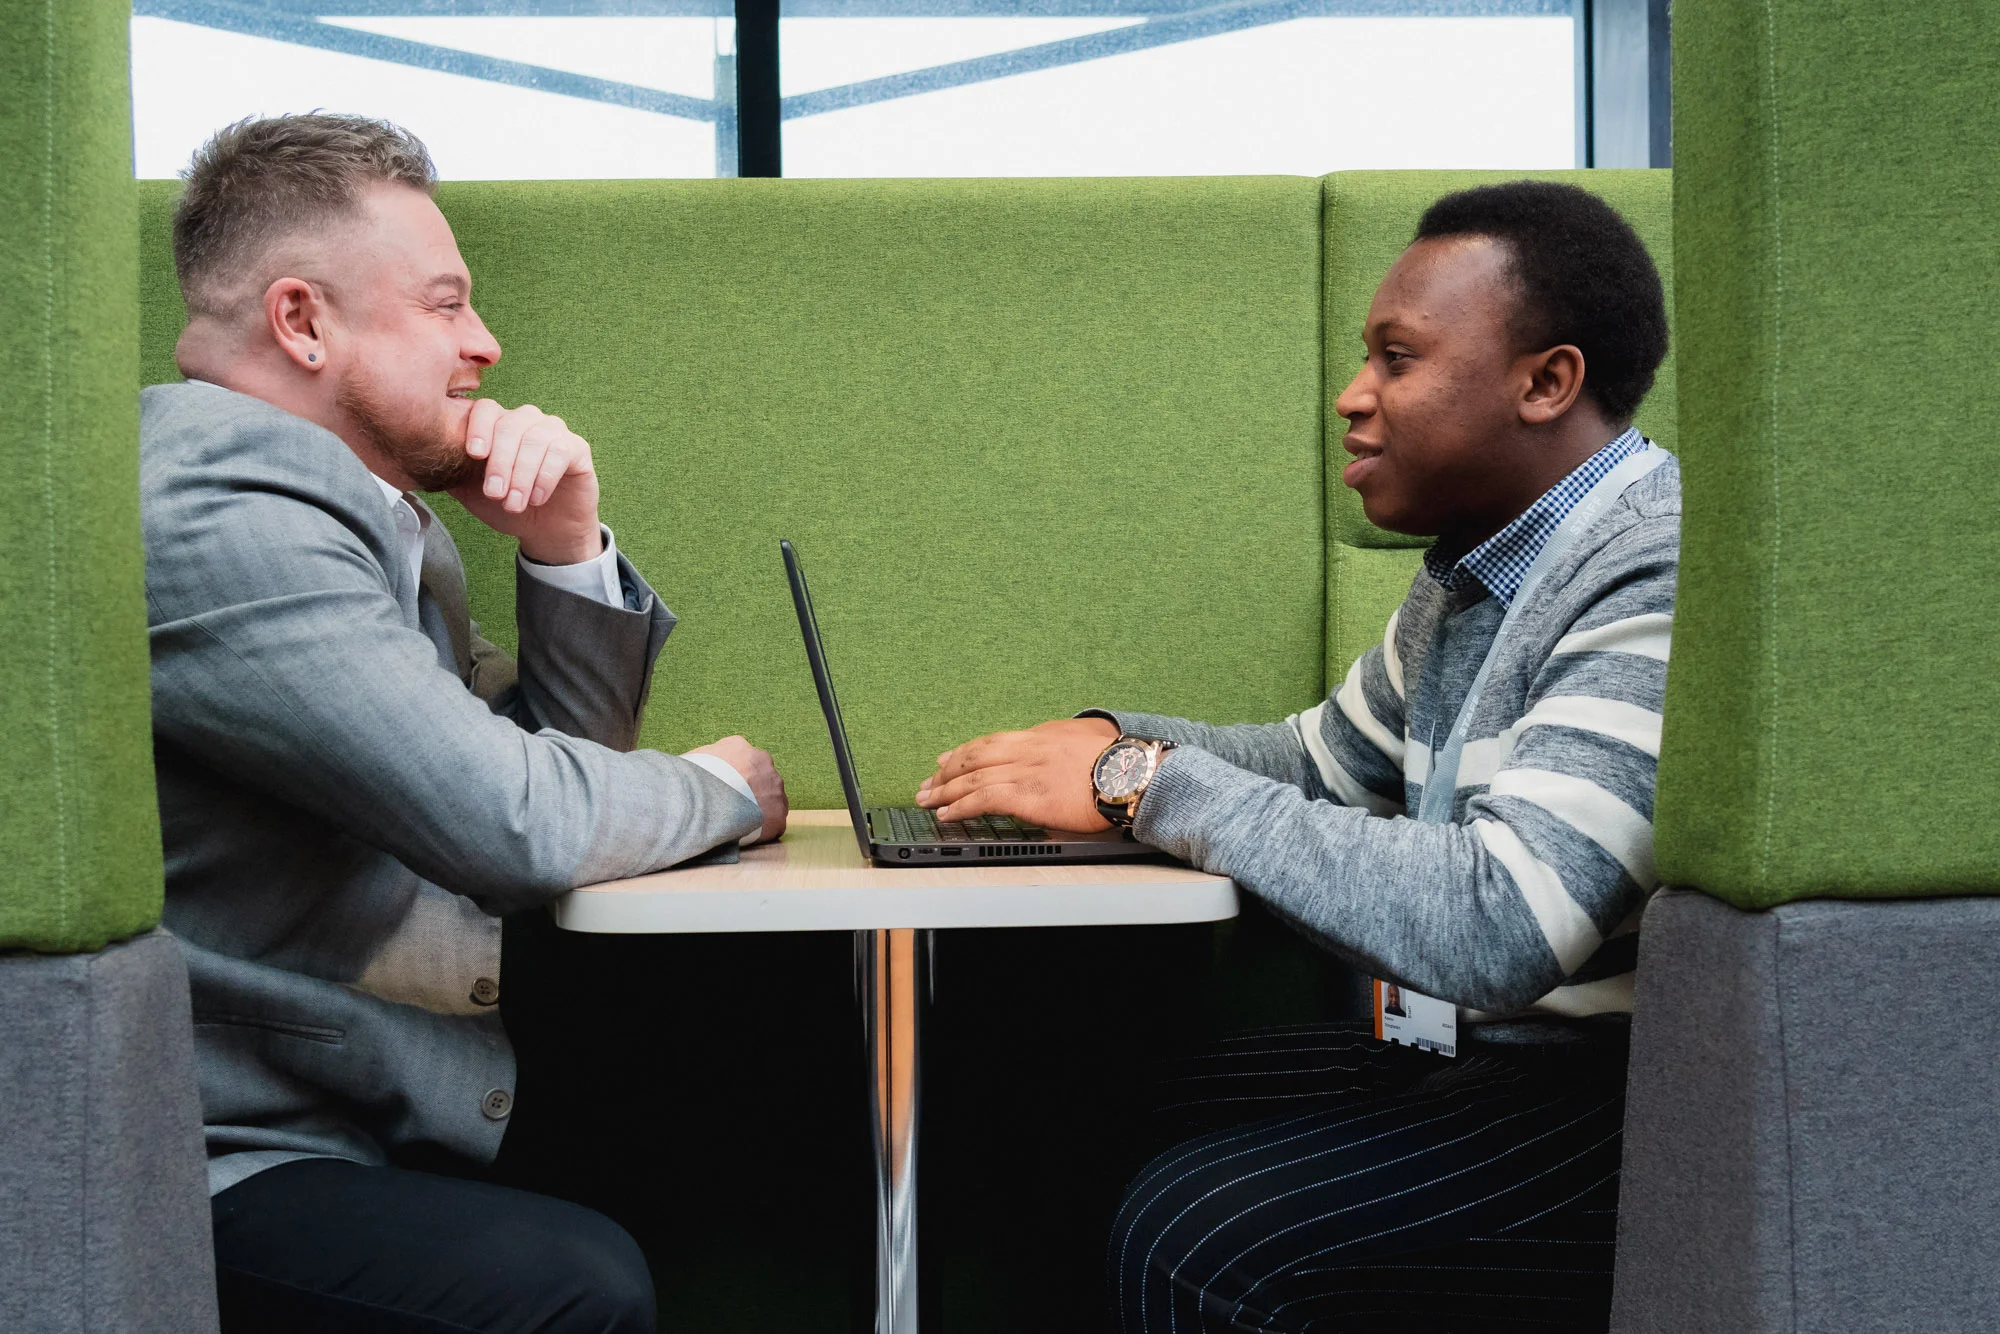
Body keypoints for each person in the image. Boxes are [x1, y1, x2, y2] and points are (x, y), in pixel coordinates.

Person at [917, 180, 1676, 1331]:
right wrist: (1106, 743)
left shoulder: (1648, 565)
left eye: (1394, 358)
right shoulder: (1480, 563)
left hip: (1613, 1104)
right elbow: (1315, 764)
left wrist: (1139, 782)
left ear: (1543, 381)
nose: (1351, 396)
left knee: (1199, 1233)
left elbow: (1503, 921)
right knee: (1063, 1110)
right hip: (1482, 1057)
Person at [144, 114, 790, 1334]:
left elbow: (553, 772)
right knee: (575, 1278)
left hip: (352, 1082)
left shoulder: (361, 512)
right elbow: (517, 821)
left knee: (732, 1104)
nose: (484, 345)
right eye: (445, 305)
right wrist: (718, 785)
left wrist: (562, 547)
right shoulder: (218, 510)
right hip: (218, 1145)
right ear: (301, 321)